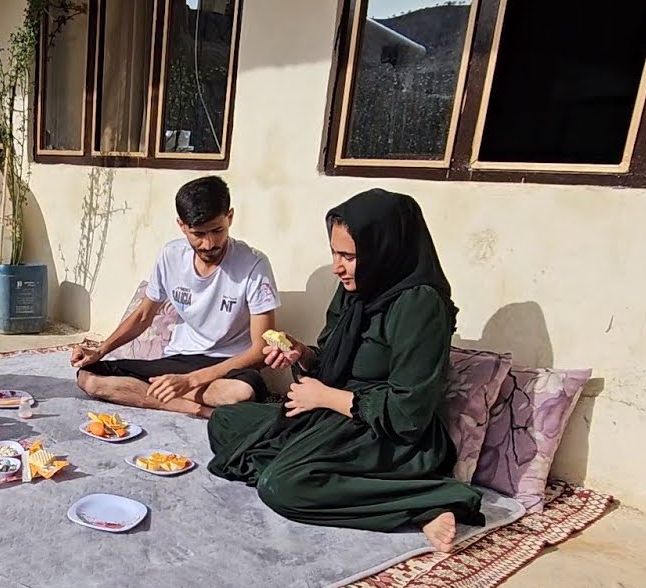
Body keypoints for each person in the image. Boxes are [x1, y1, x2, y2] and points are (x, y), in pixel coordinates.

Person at [205, 188, 484, 553]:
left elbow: (408, 412)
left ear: (385, 250)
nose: (338, 267)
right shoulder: (356, 291)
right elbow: (335, 365)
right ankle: (317, 469)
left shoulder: (420, 306)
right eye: (335, 254)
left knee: (283, 487)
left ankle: (425, 501)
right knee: (225, 423)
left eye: (349, 256)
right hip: (335, 416)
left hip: (388, 438)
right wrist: (301, 355)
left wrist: (324, 397)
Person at [73, 176, 276, 418]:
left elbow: (261, 349)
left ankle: (166, 393)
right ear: (182, 225)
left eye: (217, 231)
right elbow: (143, 316)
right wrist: (101, 350)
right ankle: (197, 409)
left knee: (240, 393)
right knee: (89, 378)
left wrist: (191, 381)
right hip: (179, 359)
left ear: (229, 217)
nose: (209, 243)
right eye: (198, 234)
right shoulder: (171, 256)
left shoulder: (254, 264)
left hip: (228, 366)